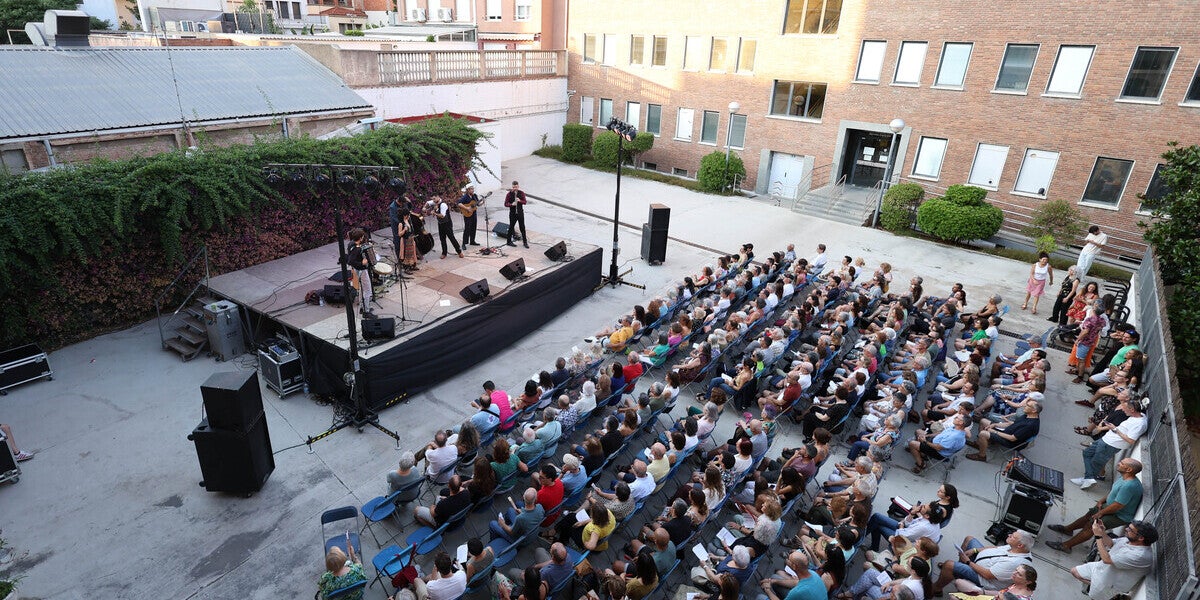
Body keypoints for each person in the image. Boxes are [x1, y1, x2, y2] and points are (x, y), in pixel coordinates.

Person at [1047, 458, 1144, 552]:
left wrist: (1100, 513)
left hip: (1118, 515)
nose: (1119, 463)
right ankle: (1068, 529)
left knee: (1091, 527)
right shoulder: (1123, 477)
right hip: (1108, 506)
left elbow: (1117, 506)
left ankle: (1066, 546)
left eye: (1122, 463)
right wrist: (1101, 501)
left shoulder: (1129, 486)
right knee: (1087, 517)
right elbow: (1114, 493)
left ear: (1129, 469)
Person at [1069, 520, 1157, 600]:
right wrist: (1102, 532)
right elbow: (1111, 544)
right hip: (1101, 569)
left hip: (1109, 583)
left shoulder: (1139, 556)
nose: (1126, 529)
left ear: (1141, 538)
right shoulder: (1129, 540)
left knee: (1095, 597)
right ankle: (1113, 595)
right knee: (1074, 571)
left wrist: (1098, 536)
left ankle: (1113, 594)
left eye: (1130, 529)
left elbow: (1106, 559)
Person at [1074, 397, 1146, 489]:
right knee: (1087, 453)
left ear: (1132, 410)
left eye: (1126, 408)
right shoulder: (1140, 416)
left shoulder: (1139, 424)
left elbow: (1131, 440)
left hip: (1111, 444)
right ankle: (1088, 478)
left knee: (1096, 462)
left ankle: (1088, 479)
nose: (1123, 410)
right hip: (1106, 440)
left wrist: (1115, 429)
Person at [931, 530, 1034, 595]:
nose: (1009, 535)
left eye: (1013, 536)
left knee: (949, 565)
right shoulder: (1015, 547)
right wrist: (975, 550)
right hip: (979, 562)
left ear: (1020, 545)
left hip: (983, 579)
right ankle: (956, 571)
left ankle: (936, 589)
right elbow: (996, 548)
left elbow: (987, 575)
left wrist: (967, 562)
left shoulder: (1015, 563)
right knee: (969, 539)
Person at [966, 401, 1041, 461]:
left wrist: (994, 431)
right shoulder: (1027, 415)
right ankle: (980, 444)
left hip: (1010, 441)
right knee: (983, 421)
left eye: (1028, 406)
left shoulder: (1029, 425)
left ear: (1034, 410)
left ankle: (981, 456)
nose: (1024, 406)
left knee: (983, 434)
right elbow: (1013, 424)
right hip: (1007, 432)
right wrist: (995, 425)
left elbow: (1012, 438)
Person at [761, 551, 826, 600]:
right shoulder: (813, 573)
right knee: (774, 577)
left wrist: (768, 590)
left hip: (801, 594)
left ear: (794, 566)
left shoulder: (797, 592)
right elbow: (796, 582)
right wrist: (774, 581)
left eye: (789, 559)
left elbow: (798, 587)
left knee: (760, 597)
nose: (787, 560)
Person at [344, 227, 376, 319]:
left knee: (362, 289)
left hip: (356, 269)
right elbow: (350, 261)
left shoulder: (351, 244)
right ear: (361, 238)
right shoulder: (356, 249)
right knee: (368, 290)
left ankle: (363, 307)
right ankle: (366, 311)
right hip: (361, 270)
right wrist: (362, 262)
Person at [504, 180, 528, 248]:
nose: (515, 188)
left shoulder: (521, 193)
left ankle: (525, 242)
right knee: (511, 227)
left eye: (516, 187)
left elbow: (525, 202)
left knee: (522, 227)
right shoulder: (509, 194)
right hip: (512, 213)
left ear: (518, 186)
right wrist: (512, 204)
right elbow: (505, 204)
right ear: (512, 187)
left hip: (520, 213)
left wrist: (520, 200)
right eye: (514, 187)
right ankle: (508, 241)